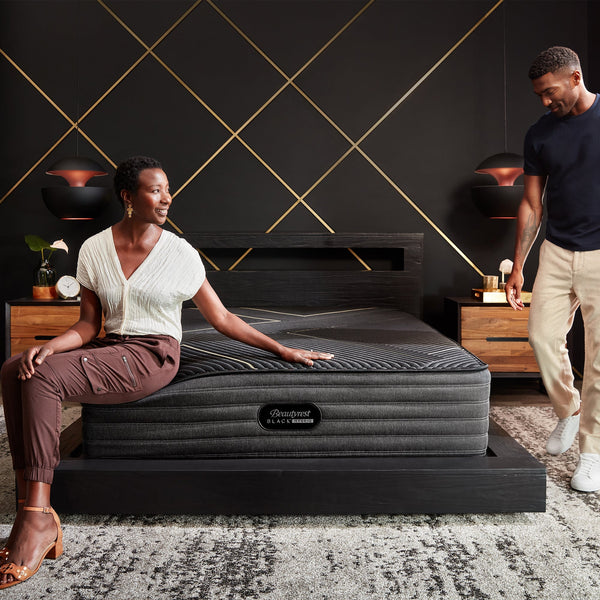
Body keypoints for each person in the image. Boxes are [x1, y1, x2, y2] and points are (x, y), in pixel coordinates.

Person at [0, 155, 334, 589]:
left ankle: (38, 520)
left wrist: (281, 349)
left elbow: (222, 318)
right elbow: (87, 325)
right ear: (128, 197)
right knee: (15, 368)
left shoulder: (179, 253)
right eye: (156, 190)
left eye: (167, 189)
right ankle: (29, 500)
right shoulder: (94, 249)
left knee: (43, 378)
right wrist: (48, 346)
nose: (166, 198)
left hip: (153, 355)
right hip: (108, 347)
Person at [505, 46, 600, 492]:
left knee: (599, 360)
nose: (545, 101)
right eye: (539, 95)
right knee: (541, 337)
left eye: (550, 91)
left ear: (575, 77)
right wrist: (518, 266)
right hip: (559, 251)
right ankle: (569, 409)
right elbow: (531, 203)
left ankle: (592, 453)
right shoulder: (540, 134)